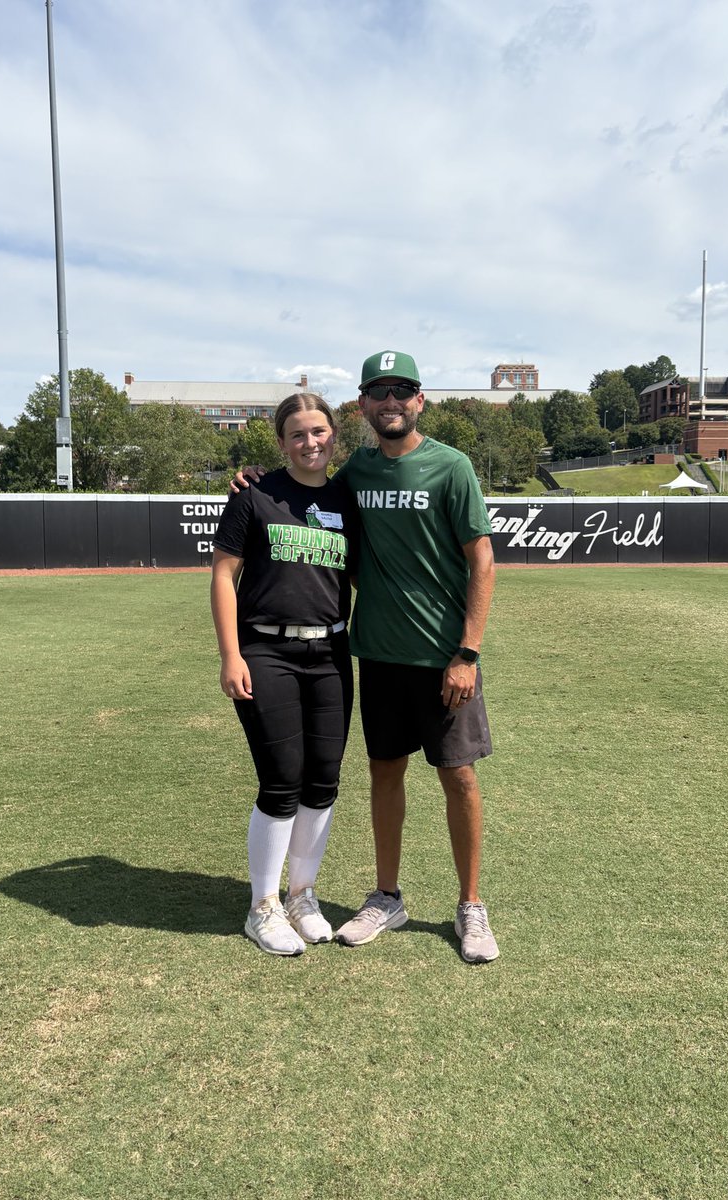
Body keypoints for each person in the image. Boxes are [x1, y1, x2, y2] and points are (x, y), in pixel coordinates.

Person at [235, 352, 499, 964]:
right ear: (362, 406)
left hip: (444, 657)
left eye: (402, 390)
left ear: (420, 400)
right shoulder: (356, 470)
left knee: (458, 776)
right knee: (385, 771)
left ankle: (470, 904)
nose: (391, 402)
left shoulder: (452, 466)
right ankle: (386, 896)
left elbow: (482, 560)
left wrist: (468, 651)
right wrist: (253, 476)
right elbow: (303, 482)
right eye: (379, 392)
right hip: (376, 654)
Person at [211, 393, 358, 956]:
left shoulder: (347, 499)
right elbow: (223, 576)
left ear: (334, 434)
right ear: (281, 442)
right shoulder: (254, 494)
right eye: (297, 434)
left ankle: (302, 895)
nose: (310, 442)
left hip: (331, 654)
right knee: (280, 780)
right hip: (266, 651)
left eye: (318, 431)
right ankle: (263, 906)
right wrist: (231, 655)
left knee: (323, 781)